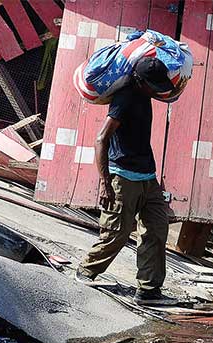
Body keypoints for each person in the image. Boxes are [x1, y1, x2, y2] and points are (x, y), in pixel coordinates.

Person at [75, 57, 176, 305]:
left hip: (148, 177)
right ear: (140, 81)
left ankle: (148, 290)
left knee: (156, 232)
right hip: (122, 177)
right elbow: (101, 139)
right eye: (153, 85)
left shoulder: (145, 94)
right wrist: (105, 182)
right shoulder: (126, 97)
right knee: (117, 234)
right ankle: (86, 270)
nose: (156, 90)